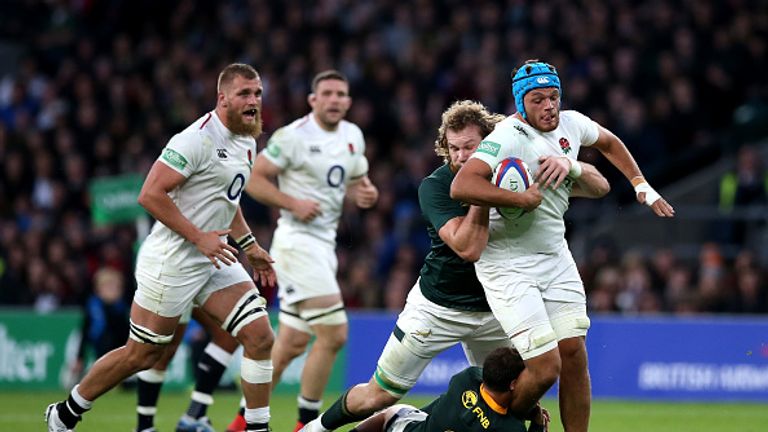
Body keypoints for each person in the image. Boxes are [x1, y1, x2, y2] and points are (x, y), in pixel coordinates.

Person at [301, 100, 610, 432]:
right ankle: (315, 429)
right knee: (378, 396)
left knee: (510, 399)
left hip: (496, 310)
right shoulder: (435, 187)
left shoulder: (517, 172)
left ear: (490, 145)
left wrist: (569, 165)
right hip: (439, 305)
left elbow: (597, 187)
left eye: (470, 147)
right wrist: (485, 193)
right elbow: (469, 248)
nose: (461, 156)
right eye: (454, 148)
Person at [45, 63, 277, 432]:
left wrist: (249, 245)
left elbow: (226, 200)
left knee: (260, 335)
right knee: (143, 354)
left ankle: (257, 428)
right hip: (173, 260)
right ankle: (67, 412)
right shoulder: (196, 139)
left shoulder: (247, 140)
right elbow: (150, 194)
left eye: (258, 93)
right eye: (244, 94)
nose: (254, 102)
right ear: (223, 99)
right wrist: (199, 237)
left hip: (213, 257)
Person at [451, 60, 675, 432]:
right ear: (521, 105)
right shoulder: (507, 135)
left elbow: (608, 142)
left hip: (555, 256)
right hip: (509, 263)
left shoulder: (572, 123)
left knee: (573, 354)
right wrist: (518, 200)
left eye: (554, 96)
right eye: (538, 99)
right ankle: (495, 425)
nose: (549, 106)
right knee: (544, 368)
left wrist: (640, 184)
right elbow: (462, 185)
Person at [228, 69, 378, 432]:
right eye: (326, 93)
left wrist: (365, 191)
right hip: (296, 244)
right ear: (313, 100)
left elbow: (357, 178)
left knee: (292, 343)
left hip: (324, 246)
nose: (334, 100)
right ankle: (306, 425)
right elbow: (254, 178)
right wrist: (291, 202)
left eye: (340, 94)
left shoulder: (352, 136)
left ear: (348, 101)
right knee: (335, 333)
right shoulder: (293, 137)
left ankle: (238, 423)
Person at [348, 347, 550, 432]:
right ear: (513, 384)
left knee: (392, 413)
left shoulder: (466, 379)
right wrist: (538, 422)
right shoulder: (510, 428)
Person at [135, 307, 239, 432]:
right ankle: (144, 426)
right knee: (150, 352)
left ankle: (194, 414)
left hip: (195, 288)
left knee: (228, 334)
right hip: (173, 289)